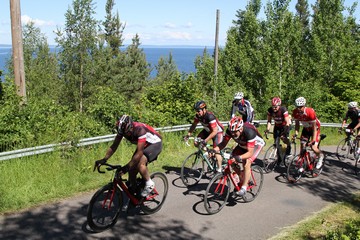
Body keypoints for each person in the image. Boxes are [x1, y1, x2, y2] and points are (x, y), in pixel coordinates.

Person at [94, 115, 162, 197]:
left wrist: (126, 167)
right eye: (124, 133)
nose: (126, 135)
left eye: (127, 133)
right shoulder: (122, 130)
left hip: (154, 144)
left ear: (131, 127)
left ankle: (149, 183)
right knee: (132, 169)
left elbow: (139, 153)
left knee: (140, 163)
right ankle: (135, 194)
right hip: (144, 145)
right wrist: (104, 159)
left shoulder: (140, 130)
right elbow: (114, 146)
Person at [212, 116, 265, 196]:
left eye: (235, 132)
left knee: (247, 163)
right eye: (231, 132)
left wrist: (239, 157)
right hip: (242, 145)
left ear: (240, 129)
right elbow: (223, 144)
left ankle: (244, 187)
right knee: (231, 161)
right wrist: (214, 150)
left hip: (256, 145)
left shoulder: (249, 132)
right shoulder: (230, 131)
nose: (233, 134)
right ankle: (242, 176)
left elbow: (250, 153)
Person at [185, 100, 224, 172]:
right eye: (196, 111)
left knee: (216, 151)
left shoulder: (210, 116)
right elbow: (194, 125)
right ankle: (208, 152)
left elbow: (214, 131)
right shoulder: (198, 116)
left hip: (217, 132)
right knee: (196, 142)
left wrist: (205, 140)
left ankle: (219, 170)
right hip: (207, 131)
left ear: (204, 109)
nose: (197, 112)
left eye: (199, 111)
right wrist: (188, 134)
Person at [292, 97, 324, 169]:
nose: (299, 109)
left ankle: (321, 156)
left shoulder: (310, 112)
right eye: (297, 107)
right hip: (306, 129)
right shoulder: (295, 112)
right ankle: (302, 162)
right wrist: (296, 133)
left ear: (304, 106)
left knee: (313, 147)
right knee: (302, 145)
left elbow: (314, 128)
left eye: (300, 107)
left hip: (315, 129)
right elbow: (297, 124)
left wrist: (313, 140)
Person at [265, 97, 292, 164]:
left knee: (283, 138)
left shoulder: (283, 109)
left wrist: (284, 133)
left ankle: (289, 146)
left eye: (276, 107)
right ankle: (280, 158)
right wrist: (267, 129)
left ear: (279, 105)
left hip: (285, 125)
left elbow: (287, 122)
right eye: (273, 106)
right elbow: (269, 121)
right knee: (276, 142)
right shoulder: (270, 110)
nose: (274, 108)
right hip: (277, 126)